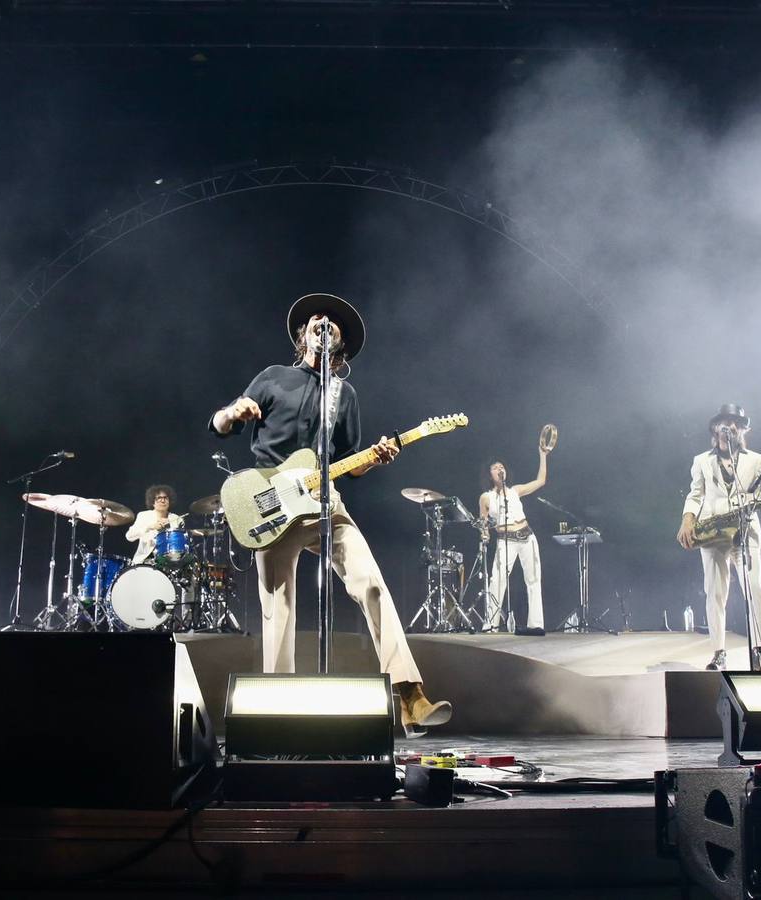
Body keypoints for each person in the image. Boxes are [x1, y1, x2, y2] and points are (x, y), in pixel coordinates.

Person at [210, 292, 452, 737]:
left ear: (341, 344)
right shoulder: (273, 376)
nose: (324, 322)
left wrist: (374, 458)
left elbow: (349, 462)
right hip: (270, 503)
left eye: (333, 322)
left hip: (325, 502)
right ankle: (277, 715)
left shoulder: (344, 394)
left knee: (371, 583)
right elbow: (221, 426)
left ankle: (410, 695)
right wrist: (232, 412)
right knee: (279, 609)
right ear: (303, 334)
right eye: (316, 319)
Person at [676, 404, 761, 671]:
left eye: (735, 422)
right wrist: (687, 520)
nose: (729, 426)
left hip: (746, 529)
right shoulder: (701, 460)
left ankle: (759, 651)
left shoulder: (756, 460)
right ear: (715, 428)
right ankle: (718, 652)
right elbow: (695, 494)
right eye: (724, 421)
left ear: (743, 429)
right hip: (714, 532)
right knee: (715, 592)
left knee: (755, 589)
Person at [478, 442, 550, 634]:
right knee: (497, 581)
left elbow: (540, 481)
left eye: (501, 467)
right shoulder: (486, 497)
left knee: (533, 580)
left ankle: (536, 624)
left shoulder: (515, 490)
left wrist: (542, 455)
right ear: (490, 475)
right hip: (505, 539)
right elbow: (483, 522)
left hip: (527, 536)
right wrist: (484, 534)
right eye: (495, 467)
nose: (499, 469)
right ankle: (491, 625)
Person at [125, 484, 186, 565]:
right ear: (152, 502)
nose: (163, 501)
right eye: (159, 498)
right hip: (145, 561)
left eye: (165, 498)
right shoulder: (143, 515)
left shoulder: (177, 518)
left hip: (169, 563)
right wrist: (150, 527)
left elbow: (182, 543)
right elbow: (129, 536)